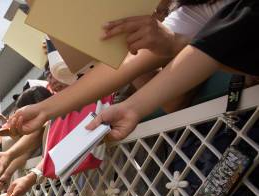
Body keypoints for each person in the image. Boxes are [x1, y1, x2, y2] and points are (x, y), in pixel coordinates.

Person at [87, 0, 258, 140]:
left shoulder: (180, 20)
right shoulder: (190, 12)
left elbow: (175, 102)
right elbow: (172, 103)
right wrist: (126, 47)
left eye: (159, 11)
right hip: (210, 132)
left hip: (228, 122)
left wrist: (174, 43)